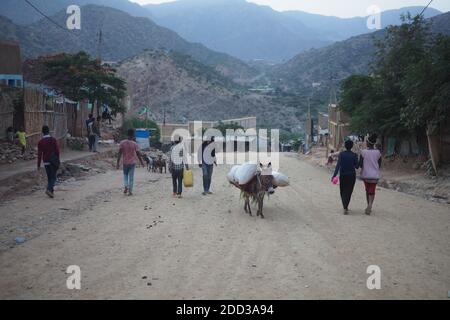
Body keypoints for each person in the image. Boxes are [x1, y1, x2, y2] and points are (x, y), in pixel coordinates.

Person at [332, 140, 359, 215]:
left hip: (343, 175)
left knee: (342, 190)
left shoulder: (341, 154)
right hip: (351, 175)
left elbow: (338, 165)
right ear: (352, 146)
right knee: (349, 191)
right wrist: (359, 161)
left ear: (345, 146)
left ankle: (345, 206)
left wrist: (334, 175)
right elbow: (357, 166)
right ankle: (346, 206)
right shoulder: (354, 155)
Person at [116, 129, 145, 196]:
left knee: (125, 175)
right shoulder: (135, 144)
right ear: (132, 135)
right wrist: (142, 162)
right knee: (131, 177)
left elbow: (119, 153)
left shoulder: (122, 143)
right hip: (132, 163)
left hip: (125, 162)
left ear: (127, 134)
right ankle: (130, 191)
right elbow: (138, 154)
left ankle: (126, 186)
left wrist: (117, 163)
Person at [359, 134, 382, 215]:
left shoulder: (363, 152)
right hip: (374, 175)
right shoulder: (378, 152)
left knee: (367, 190)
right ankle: (370, 205)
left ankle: (368, 204)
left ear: (368, 143)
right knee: (372, 191)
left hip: (365, 175)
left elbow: (361, 164)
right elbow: (379, 164)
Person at [37, 125, 60, 198]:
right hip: (52, 161)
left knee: (50, 177)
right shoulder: (53, 140)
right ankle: (49, 189)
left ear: (42, 132)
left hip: (45, 161)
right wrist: (57, 159)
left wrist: (38, 165)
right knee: (53, 177)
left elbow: (39, 154)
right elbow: (57, 151)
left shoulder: (40, 142)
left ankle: (51, 193)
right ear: (48, 131)